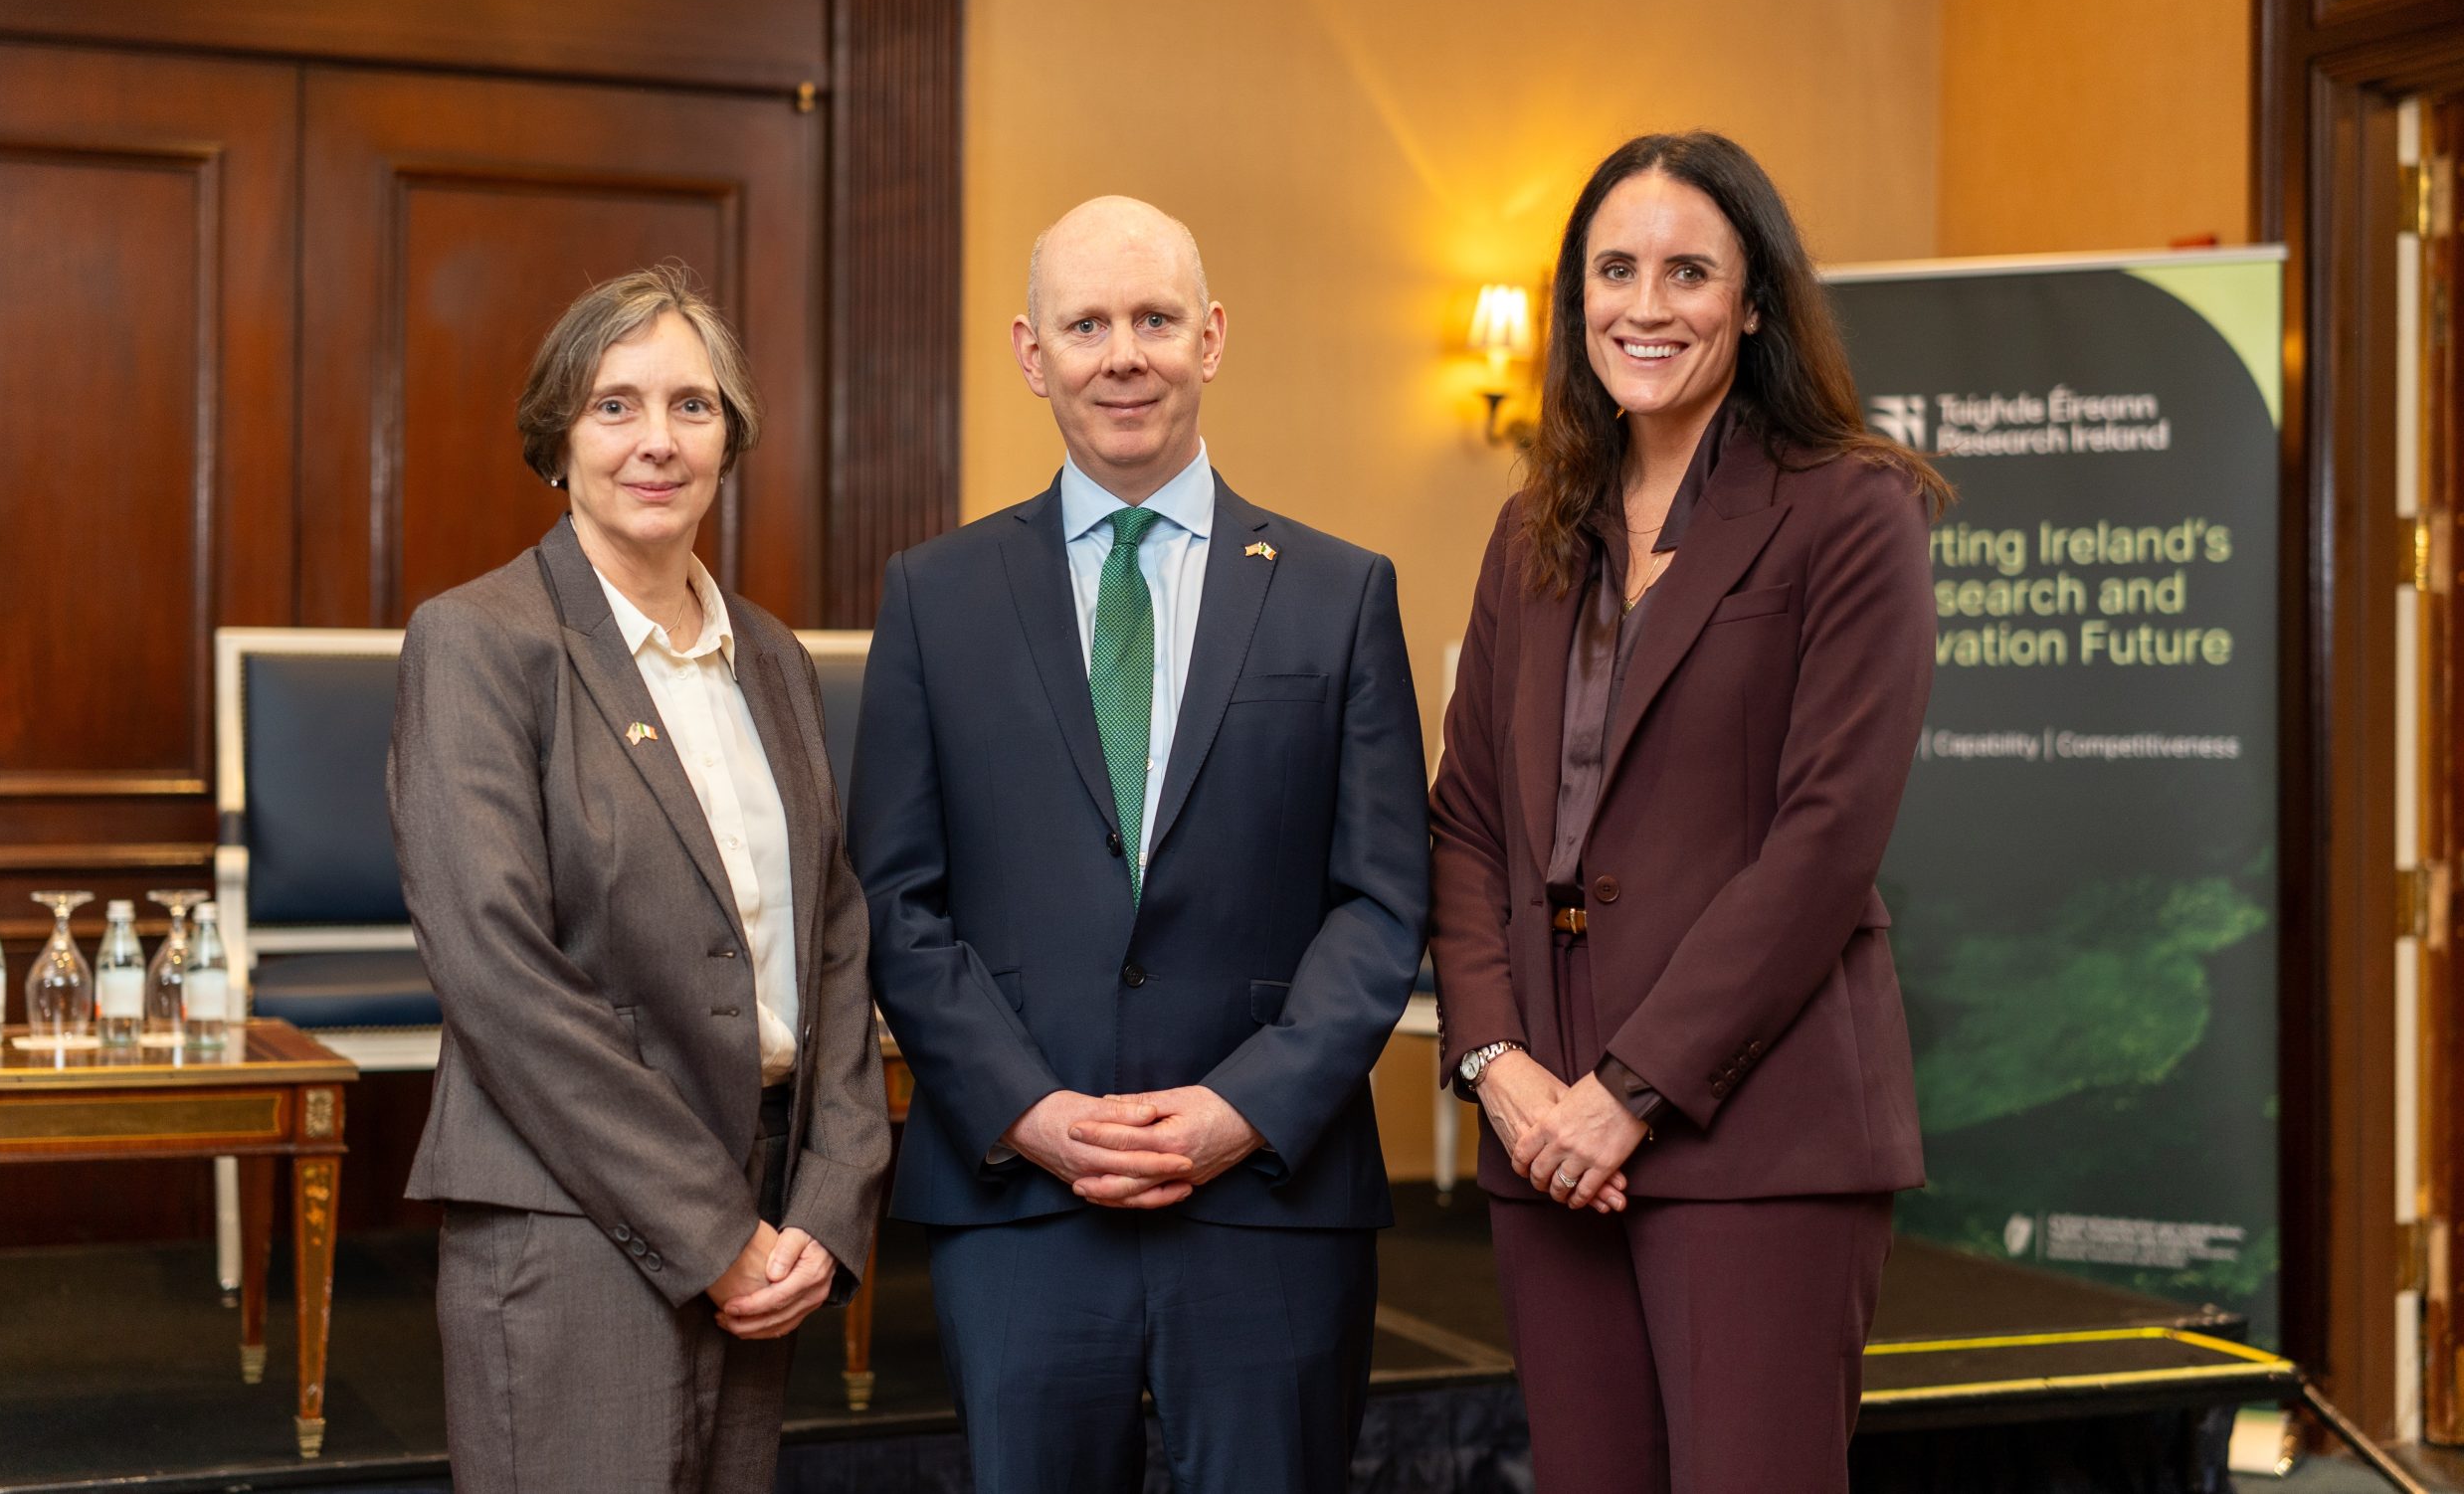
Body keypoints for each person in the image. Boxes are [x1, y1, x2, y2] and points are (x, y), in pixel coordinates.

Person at [850, 196, 1428, 1494]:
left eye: (1156, 318)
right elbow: (894, 898)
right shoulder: (931, 598)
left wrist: (1244, 1106)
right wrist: (1029, 1109)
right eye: (1088, 322)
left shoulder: (1343, 595)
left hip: (1271, 1199)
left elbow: (1385, 899)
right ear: (1030, 350)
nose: (1126, 353)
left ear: (1211, 337)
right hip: (1021, 1200)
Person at [1428, 132, 1949, 1493]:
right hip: (1549, 1138)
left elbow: (1824, 840)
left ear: (1756, 299)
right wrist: (1501, 1065)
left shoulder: (1853, 511)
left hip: (1754, 1135)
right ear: (1575, 296)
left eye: (1687, 271)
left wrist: (1633, 1089)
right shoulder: (1535, 526)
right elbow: (1471, 821)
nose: (1644, 305)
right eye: (1615, 268)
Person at [388, 265, 890, 1494]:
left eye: (692, 406)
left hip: (766, 1221)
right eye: (616, 406)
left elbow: (833, 931)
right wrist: (714, 1236)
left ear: (731, 438)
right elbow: (499, 974)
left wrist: (825, 1205)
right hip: (570, 1226)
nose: (656, 442)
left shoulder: (769, 655)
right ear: (557, 437)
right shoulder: (478, 640)